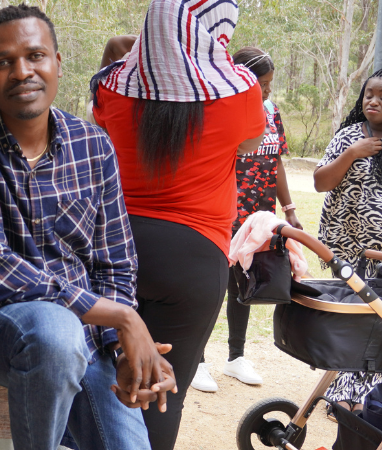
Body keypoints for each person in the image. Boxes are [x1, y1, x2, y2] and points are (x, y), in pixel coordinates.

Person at [0, 5, 176, 450]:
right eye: (2, 62)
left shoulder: (92, 144)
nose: (22, 72)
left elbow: (114, 264)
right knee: (55, 333)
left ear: (58, 64)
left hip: (89, 336)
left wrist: (122, 348)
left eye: (35, 56)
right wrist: (121, 317)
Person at [90, 0, 266, 448]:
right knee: (164, 388)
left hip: (112, 249)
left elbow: (107, 90)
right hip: (193, 259)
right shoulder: (241, 89)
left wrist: (139, 53)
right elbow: (250, 143)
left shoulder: (112, 85)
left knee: (95, 378)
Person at [191, 47, 303, 394]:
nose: (267, 90)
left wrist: (289, 209)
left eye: (270, 83)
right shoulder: (220, 110)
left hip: (258, 216)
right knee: (212, 284)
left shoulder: (271, 111)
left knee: (245, 281)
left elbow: (277, 161)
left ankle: (236, 356)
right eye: (262, 83)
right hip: (223, 211)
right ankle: (196, 361)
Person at [314, 68, 382, 420]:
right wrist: (353, 153)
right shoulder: (349, 137)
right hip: (349, 252)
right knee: (355, 322)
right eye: (369, 94)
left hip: (381, 255)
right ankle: (342, 395)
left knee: (377, 324)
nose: (374, 101)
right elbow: (320, 183)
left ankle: (361, 396)